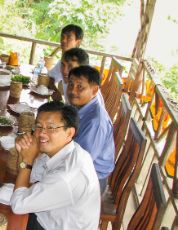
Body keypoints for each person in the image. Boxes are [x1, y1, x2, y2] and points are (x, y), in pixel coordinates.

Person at [11, 101, 100, 230]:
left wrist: (27, 161)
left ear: (69, 133)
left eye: (51, 128)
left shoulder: (66, 176)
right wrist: (24, 153)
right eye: (39, 126)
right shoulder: (63, 149)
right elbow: (31, 178)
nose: (41, 133)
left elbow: (18, 205)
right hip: (49, 216)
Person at [67, 65, 115, 194]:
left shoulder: (95, 122)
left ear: (94, 91)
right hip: (78, 166)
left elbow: (79, 164)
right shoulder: (81, 107)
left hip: (91, 180)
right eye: (70, 84)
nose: (72, 91)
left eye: (80, 87)